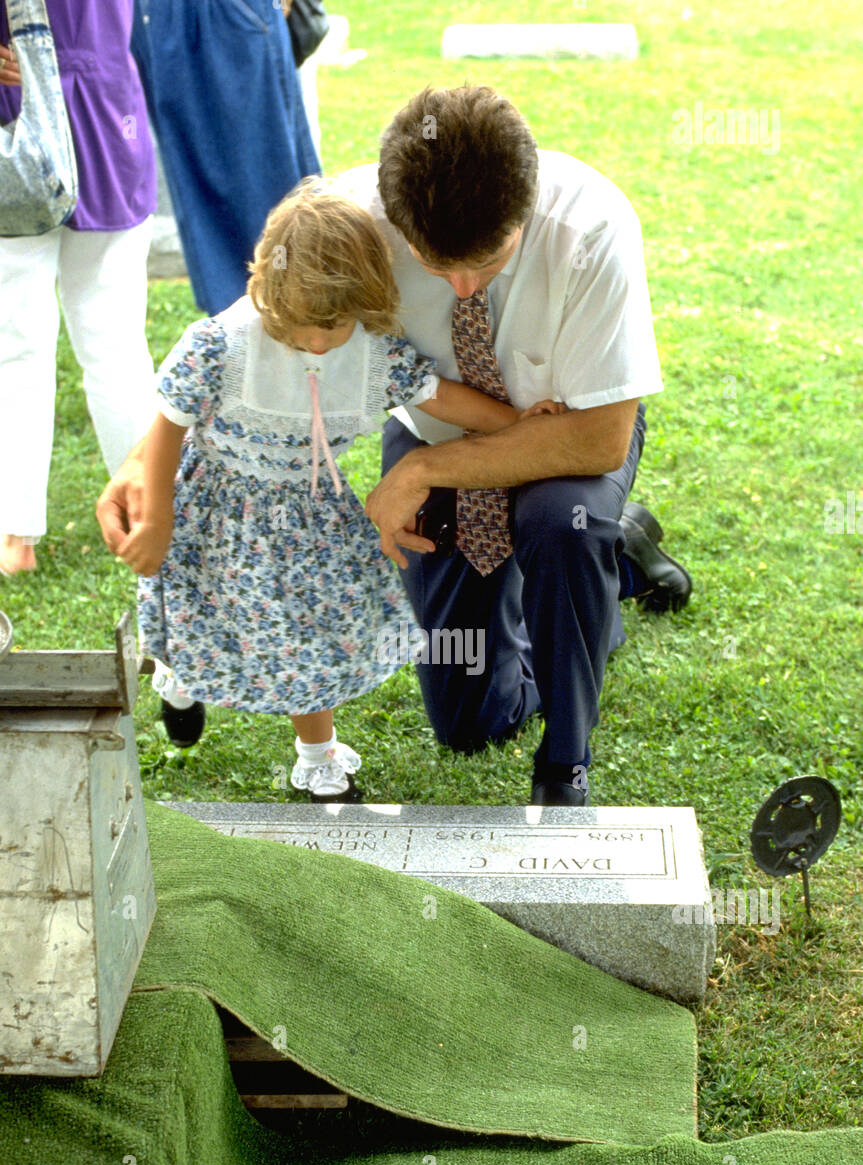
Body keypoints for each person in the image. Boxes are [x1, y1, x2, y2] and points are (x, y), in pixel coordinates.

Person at [115, 184, 562, 801]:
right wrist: (159, 515)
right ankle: (183, 681)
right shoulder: (220, 345)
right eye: (299, 328)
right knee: (202, 619)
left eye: (335, 325)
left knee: (309, 637)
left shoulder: (373, 355)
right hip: (213, 513)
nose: (320, 343)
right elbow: (169, 422)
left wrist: (519, 423)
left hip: (306, 520)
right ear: (265, 291)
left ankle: (318, 757)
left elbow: (441, 397)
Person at [353, 85, 692, 805]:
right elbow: (258, 319)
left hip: (566, 448)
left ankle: (564, 762)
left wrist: (422, 470)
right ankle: (616, 566)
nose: (460, 284)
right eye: (433, 262)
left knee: (556, 524)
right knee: (468, 720)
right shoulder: (352, 221)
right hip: (435, 432)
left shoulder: (592, 224)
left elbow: (600, 439)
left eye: (486, 259)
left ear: (526, 206)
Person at [0, 0, 157, 577]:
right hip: (59, 122)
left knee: (92, 343)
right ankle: (23, 527)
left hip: (87, 116)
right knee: (36, 342)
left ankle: (143, 505)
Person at [130, 0, 321, 316]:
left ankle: (296, 329)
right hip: (162, 17)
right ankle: (248, 341)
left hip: (221, 16)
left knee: (276, 207)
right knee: (205, 199)